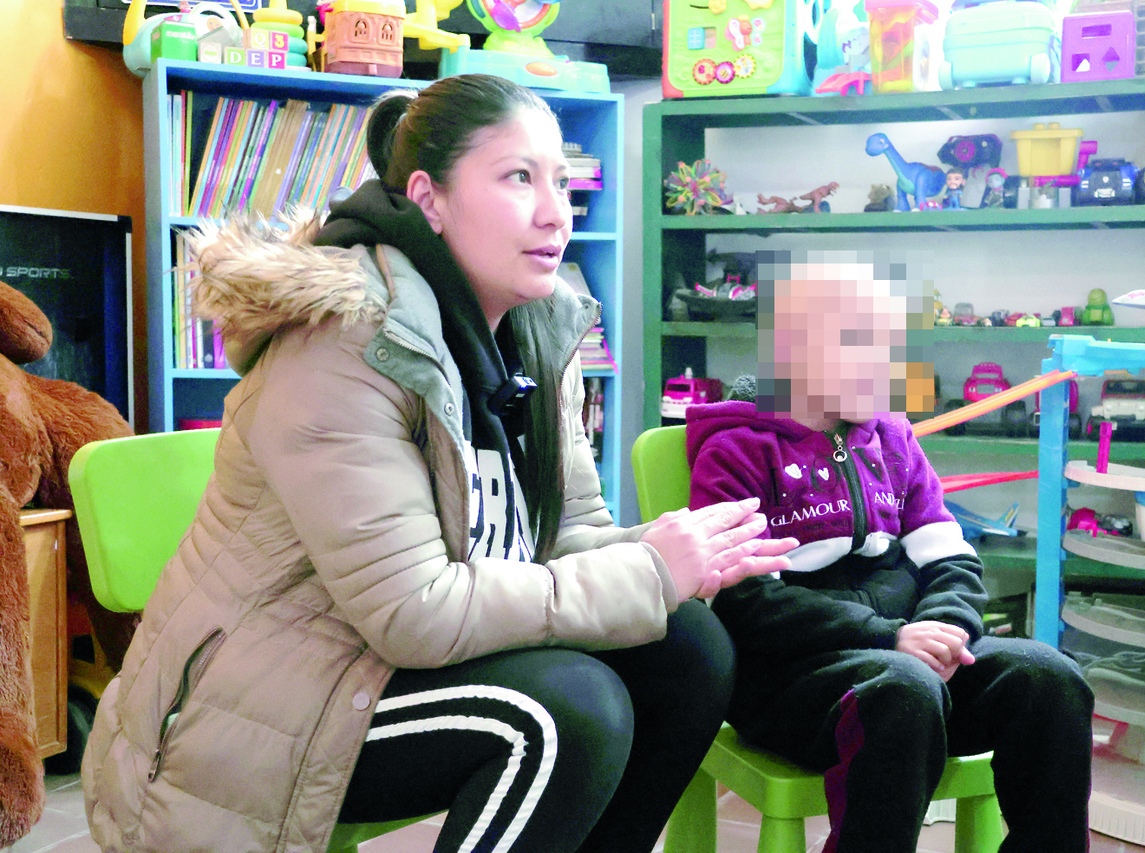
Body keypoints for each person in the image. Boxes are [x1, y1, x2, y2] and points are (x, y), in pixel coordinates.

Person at [81, 74, 796, 853]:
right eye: (518, 178)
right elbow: (413, 610)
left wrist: (670, 554)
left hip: (378, 666)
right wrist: (650, 571)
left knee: (687, 645)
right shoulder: (345, 344)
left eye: (561, 179)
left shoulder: (534, 333)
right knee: (566, 711)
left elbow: (564, 537)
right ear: (429, 198)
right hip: (260, 707)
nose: (555, 211)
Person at [685, 250, 1094, 853]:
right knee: (903, 689)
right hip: (795, 685)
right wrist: (887, 636)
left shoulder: (893, 436)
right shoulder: (738, 452)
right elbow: (744, 602)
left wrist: (945, 629)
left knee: (1052, 679)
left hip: (912, 662)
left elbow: (949, 556)